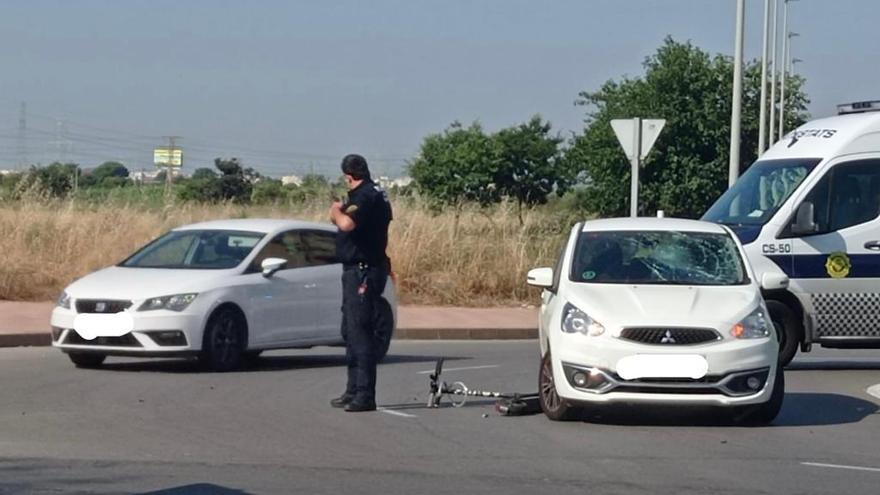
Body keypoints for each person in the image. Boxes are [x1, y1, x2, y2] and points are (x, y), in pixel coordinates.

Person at [328, 154, 393, 412]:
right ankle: (353, 389)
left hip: (363, 271)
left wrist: (335, 210)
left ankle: (365, 394)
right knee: (350, 330)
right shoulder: (376, 193)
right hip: (361, 269)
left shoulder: (365, 196)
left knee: (360, 332)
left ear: (349, 175)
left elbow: (346, 223)